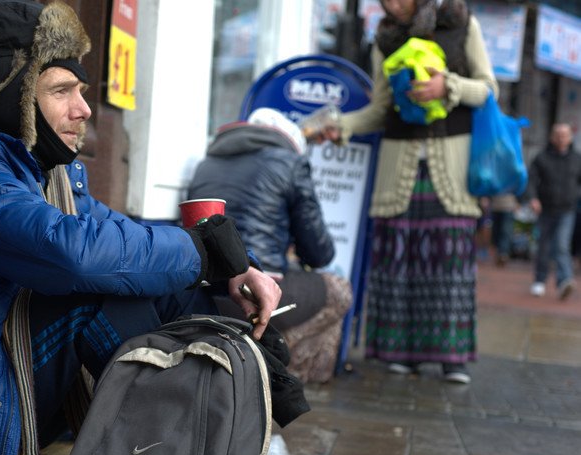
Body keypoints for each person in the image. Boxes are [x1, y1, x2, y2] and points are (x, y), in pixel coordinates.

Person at [0, 0, 286, 455]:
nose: (82, 108)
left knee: (173, 291)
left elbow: (117, 235)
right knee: (97, 296)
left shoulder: (36, 165)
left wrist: (229, 266)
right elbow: (70, 253)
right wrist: (201, 253)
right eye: (61, 90)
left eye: (81, 91)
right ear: (4, 90)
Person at [315, 0, 497, 384]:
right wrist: (340, 125)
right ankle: (400, 353)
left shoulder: (462, 24)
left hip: (451, 164)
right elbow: (380, 108)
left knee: (449, 259)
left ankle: (452, 358)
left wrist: (446, 85)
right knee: (398, 256)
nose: (393, 4)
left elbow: (487, 89)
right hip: (399, 165)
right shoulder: (385, 38)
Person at [187, 107, 353, 383]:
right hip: (253, 295)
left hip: (202, 292)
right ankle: (283, 383)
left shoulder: (207, 162)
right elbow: (319, 251)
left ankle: (263, 365)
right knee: (339, 287)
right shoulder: (291, 162)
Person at [526, 123, 581, 299]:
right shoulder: (541, 158)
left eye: (564, 135)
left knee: (562, 245)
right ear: (551, 137)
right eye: (558, 134)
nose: (561, 138)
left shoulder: (576, 159)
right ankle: (539, 280)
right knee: (543, 246)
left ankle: (564, 281)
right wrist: (533, 198)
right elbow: (531, 180)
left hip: (567, 209)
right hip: (545, 208)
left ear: (570, 138)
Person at [490, 193, 518, 267]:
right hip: (495, 206)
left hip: (509, 206)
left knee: (505, 231)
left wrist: (518, 201)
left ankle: (503, 253)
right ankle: (499, 252)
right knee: (496, 231)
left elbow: (519, 185)